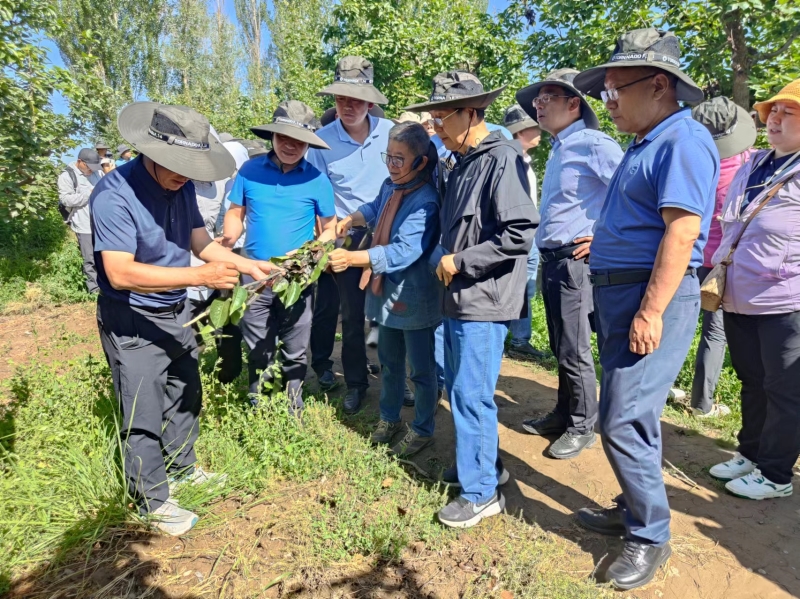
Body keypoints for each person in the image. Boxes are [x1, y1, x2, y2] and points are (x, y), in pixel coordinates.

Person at [91, 102, 282, 536]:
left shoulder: (179, 187)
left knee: (185, 390)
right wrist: (199, 277)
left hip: (175, 311)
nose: (186, 176)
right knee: (141, 409)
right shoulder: (114, 194)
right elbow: (120, 273)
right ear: (151, 153)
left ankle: (182, 468)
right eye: (179, 167)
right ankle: (151, 500)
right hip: (133, 318)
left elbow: (200, 241)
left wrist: (248, 265)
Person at [572, 29, 718, 589]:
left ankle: (650, 535)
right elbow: (643, 221)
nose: (607, 102)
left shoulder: (683, 140)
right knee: (631, 411)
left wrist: (651, 311)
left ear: (659, 85)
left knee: (623, 417)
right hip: (622, 291)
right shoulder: (646, 142)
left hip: (650, 296)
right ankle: (633, 506)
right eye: (605, 92)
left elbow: (682, 232)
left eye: (615, 90)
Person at [405, 71, 539, 528]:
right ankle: (482, 466)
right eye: (433, 119)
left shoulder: (502, 158)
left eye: (442, 118)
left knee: (471, 393)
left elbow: (520, 231)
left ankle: (481, 493)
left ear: (471, 113)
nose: (436, 127)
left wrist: (461, 261)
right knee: (460, 385)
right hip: (459, 296)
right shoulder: (461, 160)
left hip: (483, 296)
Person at [514, 69, 624, 459]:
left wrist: (603, 238)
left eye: (548, 98)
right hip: (554, 260)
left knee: (574, 347)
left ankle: (582, 424)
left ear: (574, 103)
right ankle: (564, 413)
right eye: (537, 100)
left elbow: (631, 194)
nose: (538, 106)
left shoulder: (594, 143)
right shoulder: (561, 146)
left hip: (576, 262)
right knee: (560, 343)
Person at [708, 78, 800, 501]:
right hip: (738, 295)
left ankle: (776, 474)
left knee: (785, 390)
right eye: (772, 111)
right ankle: (751, 453)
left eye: (788, 112)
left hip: (786, 299)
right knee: (752, 380)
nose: (775, 119)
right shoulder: (756, 163)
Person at [328, 122, 442, 456]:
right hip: (387, 294)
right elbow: (375, 207)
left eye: (399, 159)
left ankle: (422, 429)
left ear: (420, 161)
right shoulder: (391, 185)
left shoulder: (425, 201)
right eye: (388, 157)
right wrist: (351, 219)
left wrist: (352, 258)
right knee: (389, 363)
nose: (391, 165)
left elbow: (403, 251)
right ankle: (389, 418)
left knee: (421, 371)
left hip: (414, 295)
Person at [222, 101, 337, 411]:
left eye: (299, 141)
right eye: (284, 138)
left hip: (297, 278)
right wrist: (228, 238)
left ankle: (292, 407)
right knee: (258, 347)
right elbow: (235, 212)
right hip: (254, 277)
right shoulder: (249, 171)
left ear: (308, 144)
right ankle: (260, 406)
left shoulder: (316, 179)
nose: (290, 146)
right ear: (272, 136)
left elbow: (330, 229)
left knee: (296, 347)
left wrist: (309, 254)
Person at [307, 56, 394, 413]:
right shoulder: (321, 142)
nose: (348, 106)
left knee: (392, 315)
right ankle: (357, 383)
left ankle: (395, 381)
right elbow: (318, 199)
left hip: (390, 235)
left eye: (356, 100)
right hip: (346, 237)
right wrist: (326, 246)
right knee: (353, 318)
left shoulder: (391, 133)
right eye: (341, 98)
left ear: (370, 103)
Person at [689, 97, 756, 418]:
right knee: (714, 333)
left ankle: (654, 390)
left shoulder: (691, 162)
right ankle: (702, 404)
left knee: (675, 325)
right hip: (721, 266)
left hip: (687, 256)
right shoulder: (749, 165)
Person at [501, 103, 546, 361]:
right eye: (533, 127)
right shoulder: (508, 161)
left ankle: (519, 340)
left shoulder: (526, 162)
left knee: (525, 289)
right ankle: (503, 338)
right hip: (517, 236)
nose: (539, 130)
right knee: (511, 287)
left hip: (531, 236)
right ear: (520, 132)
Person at [57, 148, 103, 293]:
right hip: (84, 224)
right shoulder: (67, 176)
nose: (92, 170)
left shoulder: (97, 172)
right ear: (80, 162)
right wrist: (89, 193)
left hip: (101, 223)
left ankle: (107, 286)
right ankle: (94, 289)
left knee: (104, 255)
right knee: (89, 258)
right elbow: (66, 200)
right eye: (89, 167)